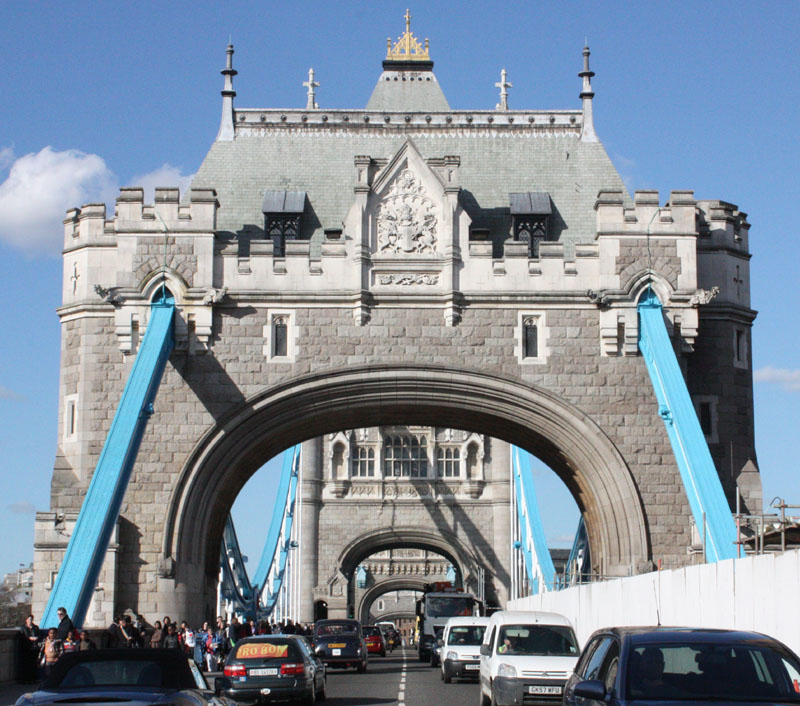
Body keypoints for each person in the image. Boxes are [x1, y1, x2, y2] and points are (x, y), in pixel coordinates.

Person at [20, 614, 40, 682]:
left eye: (31, 619)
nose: (30, 620)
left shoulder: (35, 627)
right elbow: (22, 636)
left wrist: (36, 638)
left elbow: (39, 635)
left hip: (34, 648)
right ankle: (25, 679)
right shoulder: (23, 628)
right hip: (26, 647)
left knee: (33, 663)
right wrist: (29, 638)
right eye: (29, 619)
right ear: (26, 620)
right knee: (26, 664)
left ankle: (32, 678)